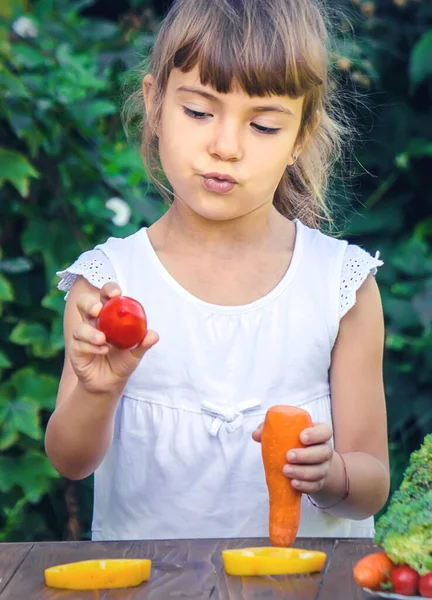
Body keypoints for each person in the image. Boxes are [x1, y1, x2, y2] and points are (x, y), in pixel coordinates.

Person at [45, 0, 390, 542]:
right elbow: (70, 460)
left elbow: (372, 481)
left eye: (264, 125)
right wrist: (97, 390)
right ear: (155, 104)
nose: (225, 147)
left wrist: (331, 475)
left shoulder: (340, 287)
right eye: (200, 113)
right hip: (151, 584)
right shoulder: (108, 284)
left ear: (301, 135)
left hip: (306, 584)